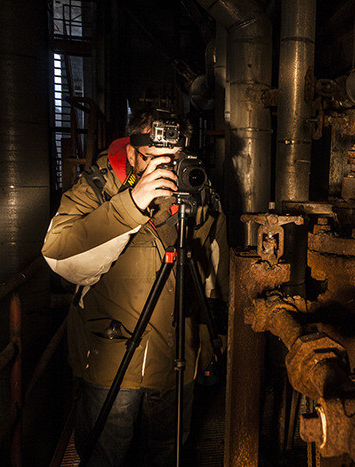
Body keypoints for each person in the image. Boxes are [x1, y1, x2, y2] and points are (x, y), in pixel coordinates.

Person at [42, 107, 229, 466]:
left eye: (172, 160)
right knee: (104, 453)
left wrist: (208, 345)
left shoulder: (195, 189)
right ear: (131, 153)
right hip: (114, 359)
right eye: (152, 159)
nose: (164, 170)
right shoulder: (99, 186)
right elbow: (59, 256)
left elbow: (213, 276)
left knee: (166, 452)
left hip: (178, 358)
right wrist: (131, 204)